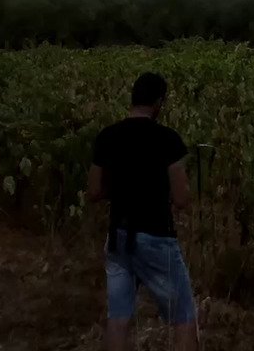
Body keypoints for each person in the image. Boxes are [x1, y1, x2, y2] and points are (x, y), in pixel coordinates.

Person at [88, 72, 198, 351]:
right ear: (159, 102)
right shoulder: (168, 140)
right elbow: (182, 199)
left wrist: (123, 188)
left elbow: (94, 192)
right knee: (184, 317)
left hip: (118, 237)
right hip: (156, 237)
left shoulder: (107, 136)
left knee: (119, 318)